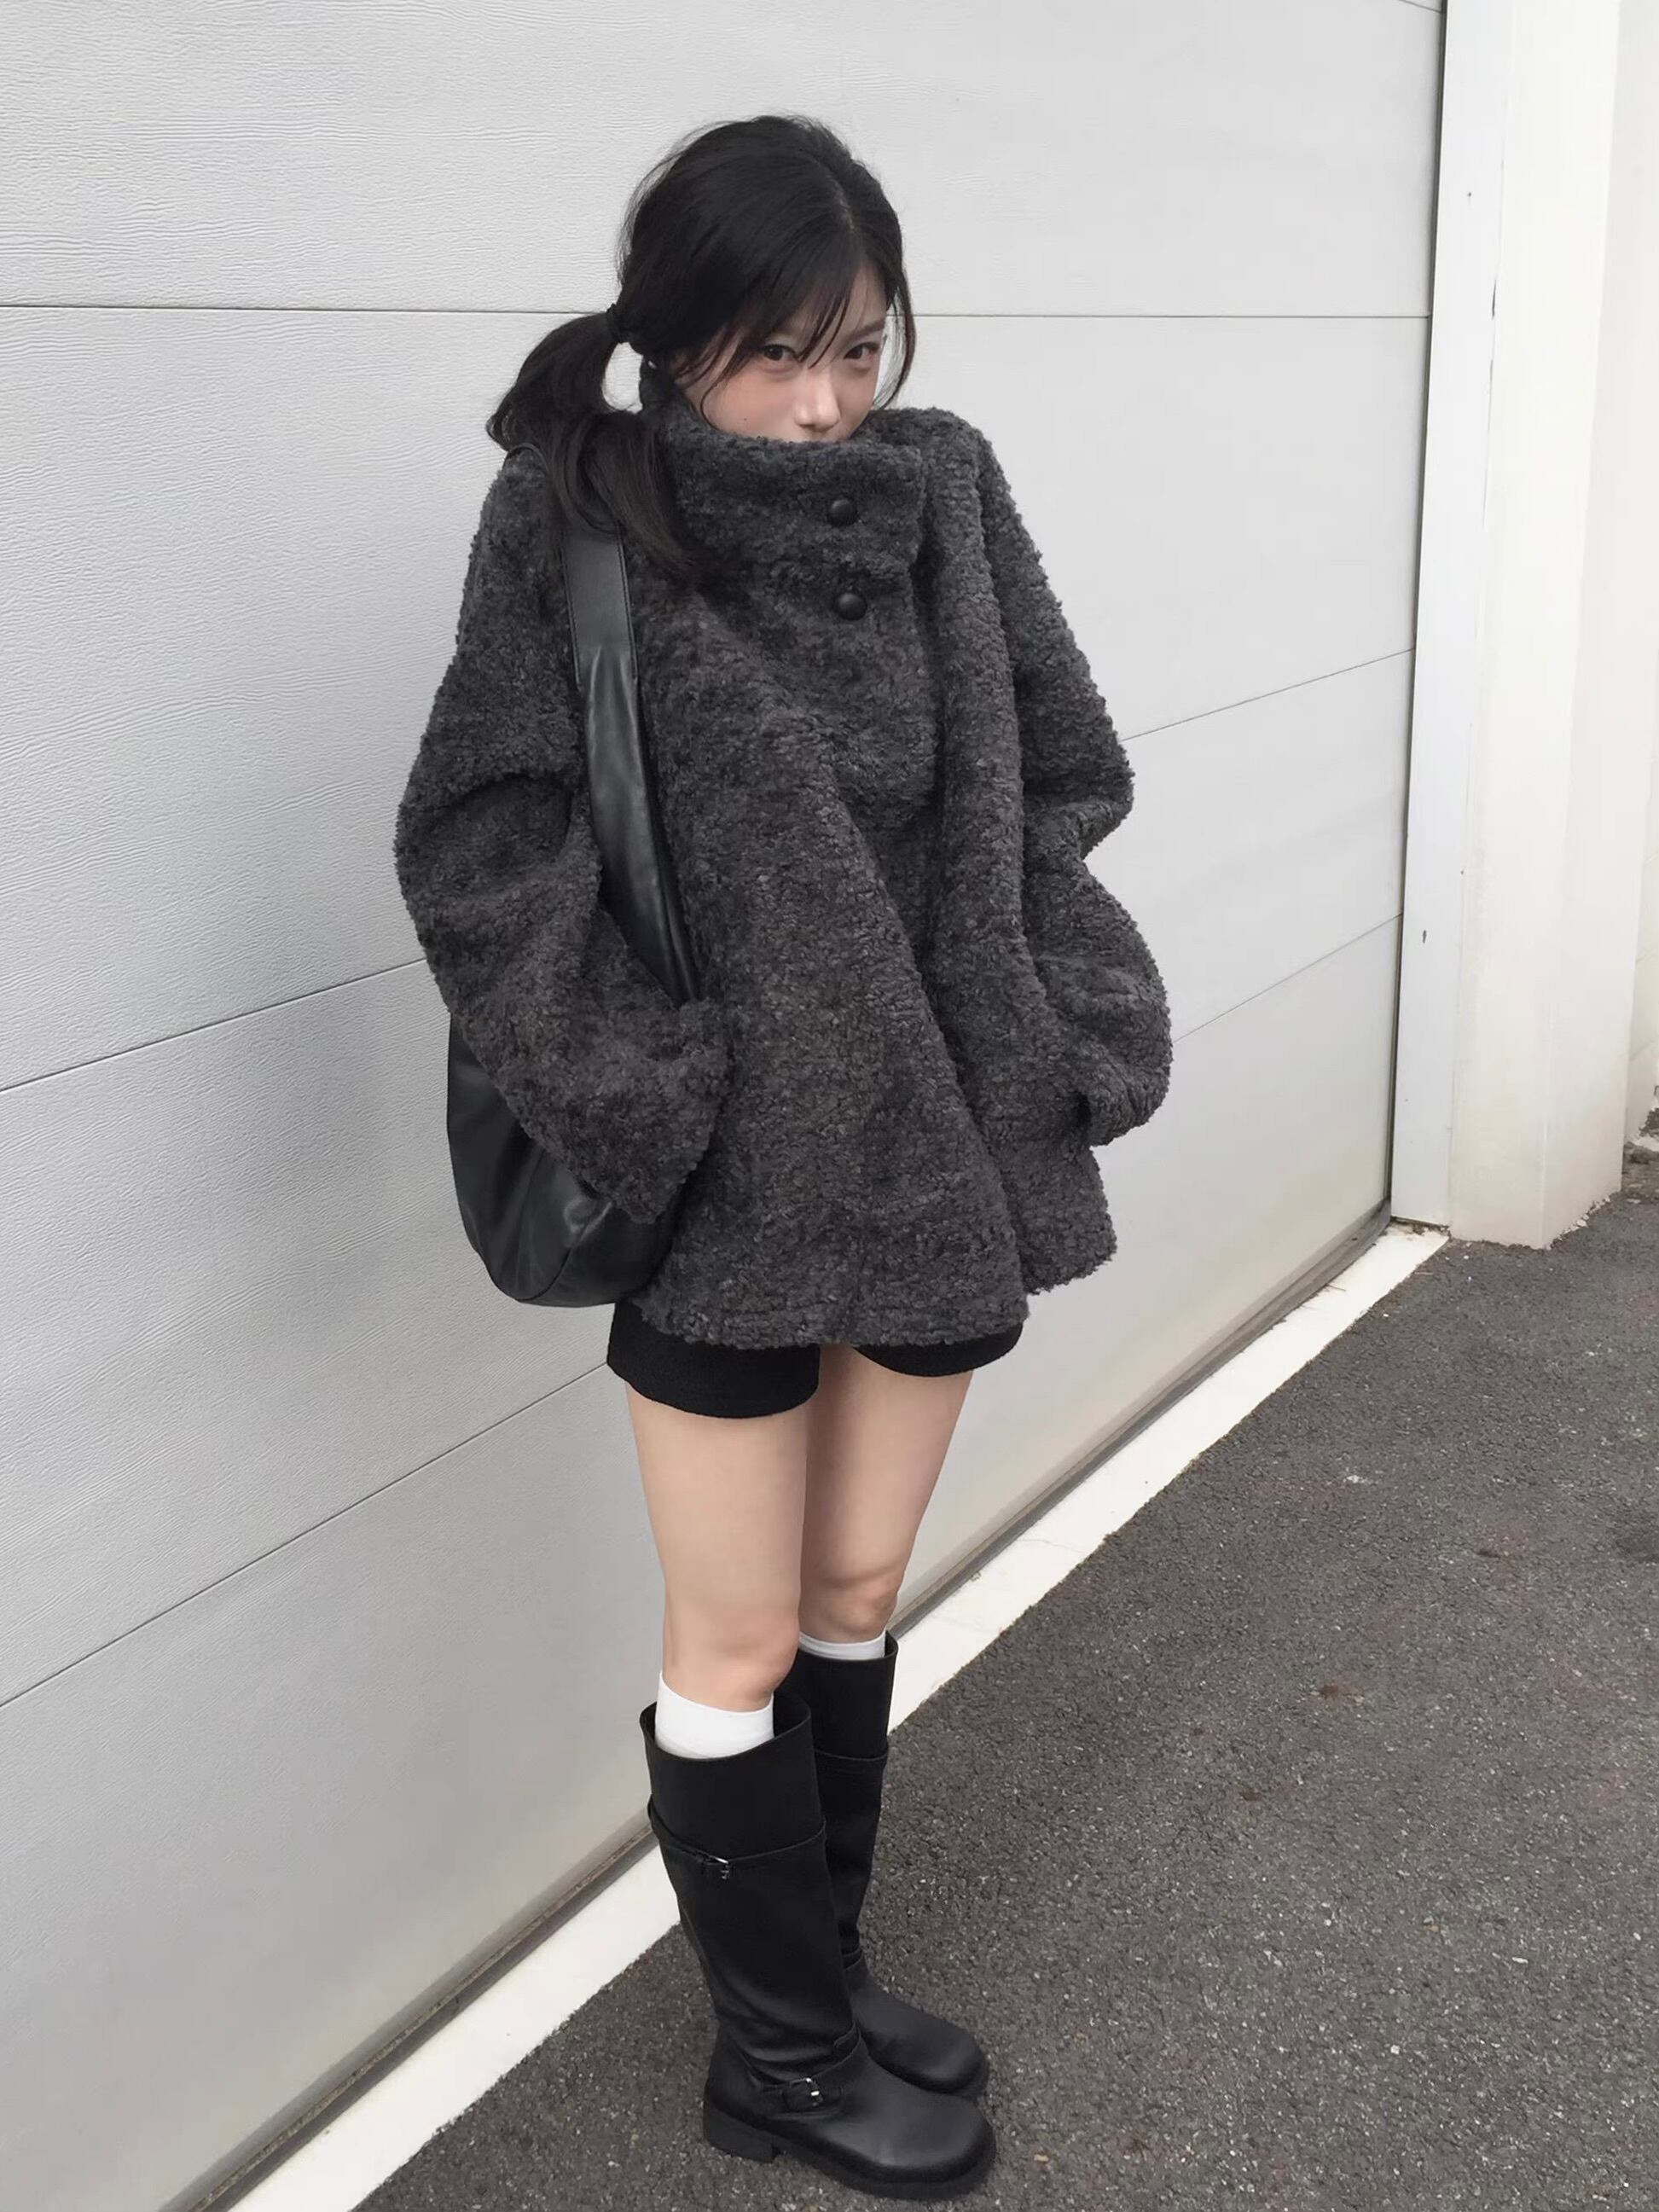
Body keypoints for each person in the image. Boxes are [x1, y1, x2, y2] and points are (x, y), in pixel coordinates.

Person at [393, 112, 1173, 2203]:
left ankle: (819, 1978)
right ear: (672, 339)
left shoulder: (945, 492)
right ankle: (780, 2064)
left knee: (852, 1592)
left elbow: (1058, 770)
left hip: (944, 1152)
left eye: (855, 346)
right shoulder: (574, 517)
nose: (824, 403)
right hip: (727, 1186)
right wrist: (652, 1089)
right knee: (731, 1639)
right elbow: (482, 846)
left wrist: (1069, 1008)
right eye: (772, 353)